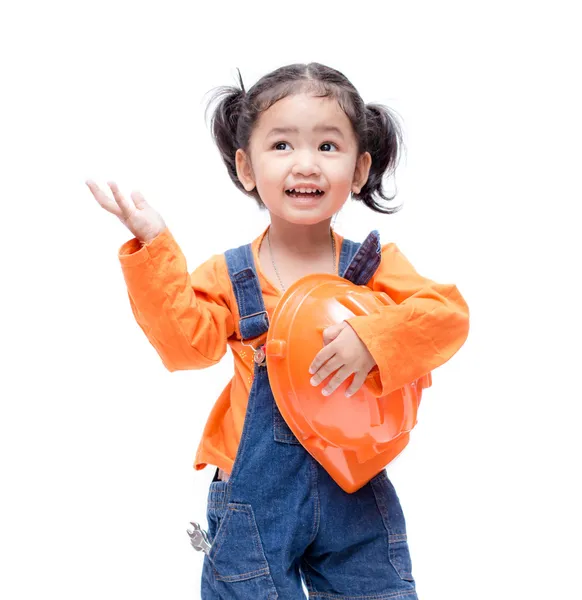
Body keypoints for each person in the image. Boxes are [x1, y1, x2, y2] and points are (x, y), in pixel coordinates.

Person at [86, 62, 470, 599]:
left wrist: (375, 340)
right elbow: (185, 347)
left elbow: (447, 315)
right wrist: (155, 253)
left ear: (360, 170)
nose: (306, 165)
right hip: (253, 497)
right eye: (282, 145)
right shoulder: (231, 274)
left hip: (354, 483)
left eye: (328, 147)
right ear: (246, 166)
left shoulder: (374, 266)